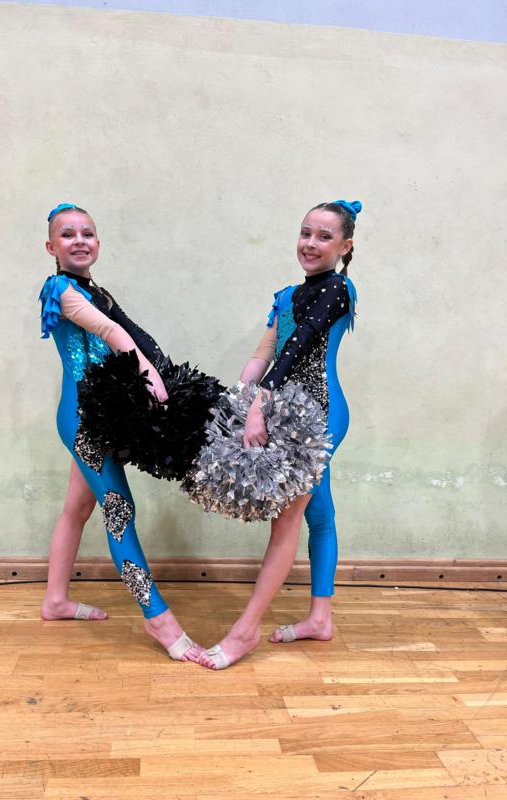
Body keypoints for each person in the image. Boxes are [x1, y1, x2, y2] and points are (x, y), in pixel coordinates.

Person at [198, 200, 360, 670]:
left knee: (286, 520)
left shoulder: (338, 289)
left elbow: (300, 345)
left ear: (344, 246)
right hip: (280, 410)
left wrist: (260, 404)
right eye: (305, 232)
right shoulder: (286, 295)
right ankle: (320, 619)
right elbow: (266, 350)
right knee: (319, 512)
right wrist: (240, 397)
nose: (310, 243)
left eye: (324, 236)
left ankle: (245, 631)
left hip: (320, 416)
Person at [38, 202, 202, 662]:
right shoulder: (59, 288)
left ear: (98, 242)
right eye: (67, 234)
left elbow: (133, 330)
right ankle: (157, 618)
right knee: (119, 509)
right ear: (51, 247)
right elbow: (112, 333)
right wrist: (149, 374)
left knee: (77, 508)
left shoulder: (97, 290)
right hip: (83, 421)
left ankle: (55, 601)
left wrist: (166, 374)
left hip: (103, 415)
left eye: (87, 233)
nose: (79, 240)